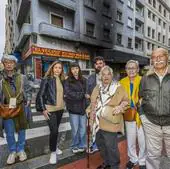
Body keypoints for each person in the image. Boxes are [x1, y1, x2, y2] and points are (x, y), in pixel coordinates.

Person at [88, 66, 129, 169]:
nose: (106, 76)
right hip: (97, 123)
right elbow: (93, 103)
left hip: (110, 122)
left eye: (108, 74)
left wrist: (120, 107)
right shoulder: (97, 87)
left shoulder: (118, 87)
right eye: (103, 74)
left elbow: (126, 101)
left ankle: (115, 166)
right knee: (100, 144)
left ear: (112, 75)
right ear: (101, 76)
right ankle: (107, 163)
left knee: (111, 147)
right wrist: (89, 112)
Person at [139, 48, 170, 169]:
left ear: (167, 57)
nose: (157, 60)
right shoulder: (145, 78)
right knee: (152, 156)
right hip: (151, 124)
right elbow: (141, 99)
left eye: (160, 56)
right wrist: (143, 117)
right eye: (154, 57)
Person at [0, 54, 32, 165]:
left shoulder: (22, 77)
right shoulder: (0, 79)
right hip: (7, 109)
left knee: (22, 130)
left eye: (11, 62)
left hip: (21, 107)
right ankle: (12, 151)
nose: (9, 65)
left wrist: (28, 99)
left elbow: (28, 90)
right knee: (9, 132)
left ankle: (21, 150)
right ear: (4, 64)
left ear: (14, 64)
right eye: (6, 62)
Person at [36, 61, 65, 164]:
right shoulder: (47, 79)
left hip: (60, 109)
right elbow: (40, 95)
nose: (57, 70)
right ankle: (53, 152)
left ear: (62, 70)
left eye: (60, 68)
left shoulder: (62, 80)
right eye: (56, 67)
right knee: (54, 131)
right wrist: (43, 109)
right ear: (52, 68)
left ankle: (55, 147)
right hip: (50, 109)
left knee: (55, 130)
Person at [120, 60, 146, 169]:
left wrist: (141, 101)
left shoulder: (143, 80)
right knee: (130, 139)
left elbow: (148, 95)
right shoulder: (121, 82)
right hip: (128, 114)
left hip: (141, 114)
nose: (131, 70)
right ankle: (133, 159)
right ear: (126, 70)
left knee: (142, 139)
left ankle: (142, 161)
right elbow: (119, 97)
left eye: (133, 68)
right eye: (129, 68)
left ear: (137, 69)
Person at [64, 62, 87, 153]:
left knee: (83, 129)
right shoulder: (67, 80)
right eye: (73, 69)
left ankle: (82, 144)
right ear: (70, 70)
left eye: (76, 68)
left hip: (83, 108)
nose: (75, 70)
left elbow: (87, 92)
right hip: (73, 108)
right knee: (75, 129)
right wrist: (82, 95)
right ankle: (74, 145)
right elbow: (68, 94)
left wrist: (83, 96)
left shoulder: (84, 80)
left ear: (79, 69)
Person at [86, 56, 105, 153]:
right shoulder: (90, 78)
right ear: (94, 65)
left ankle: (101, 144)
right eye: (97, 64)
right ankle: (93, 145)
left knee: (103, 127)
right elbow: (87, 92)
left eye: (100, 63)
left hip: (105, 107)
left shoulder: (108, 77)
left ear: (104, 64)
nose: (99, 65)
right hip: (93, 106)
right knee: (92, 127)